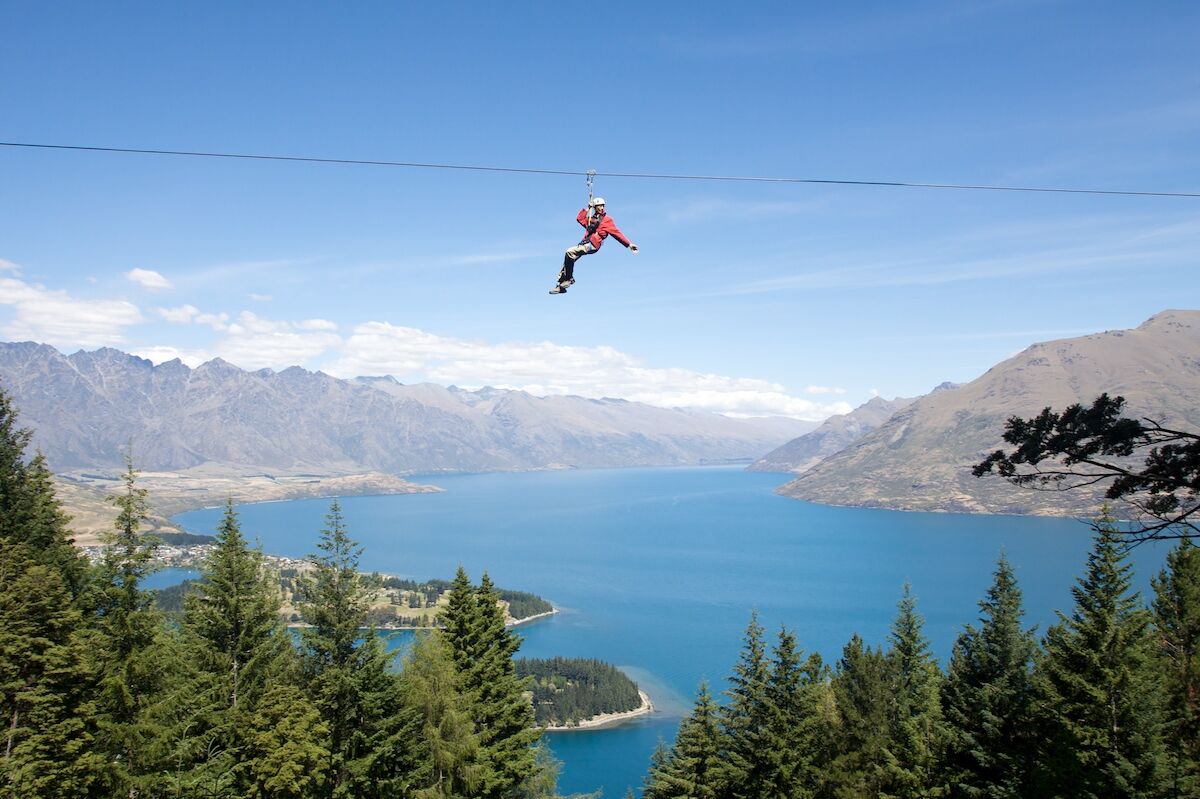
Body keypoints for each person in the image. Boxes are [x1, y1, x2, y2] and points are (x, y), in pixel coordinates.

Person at [550, 197, 638, 294]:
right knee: (568, 260)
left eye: (602, 205)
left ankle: (569, 279)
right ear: (595, 207)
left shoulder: (607, 220)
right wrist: (588, 208)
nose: (601, 207)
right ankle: (561, 285)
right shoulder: (591, 219)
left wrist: (629, 244)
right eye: (599, 206)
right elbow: (579, 218)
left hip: (592, 245)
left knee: (569, 252)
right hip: (585, 243)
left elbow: (617, 233)